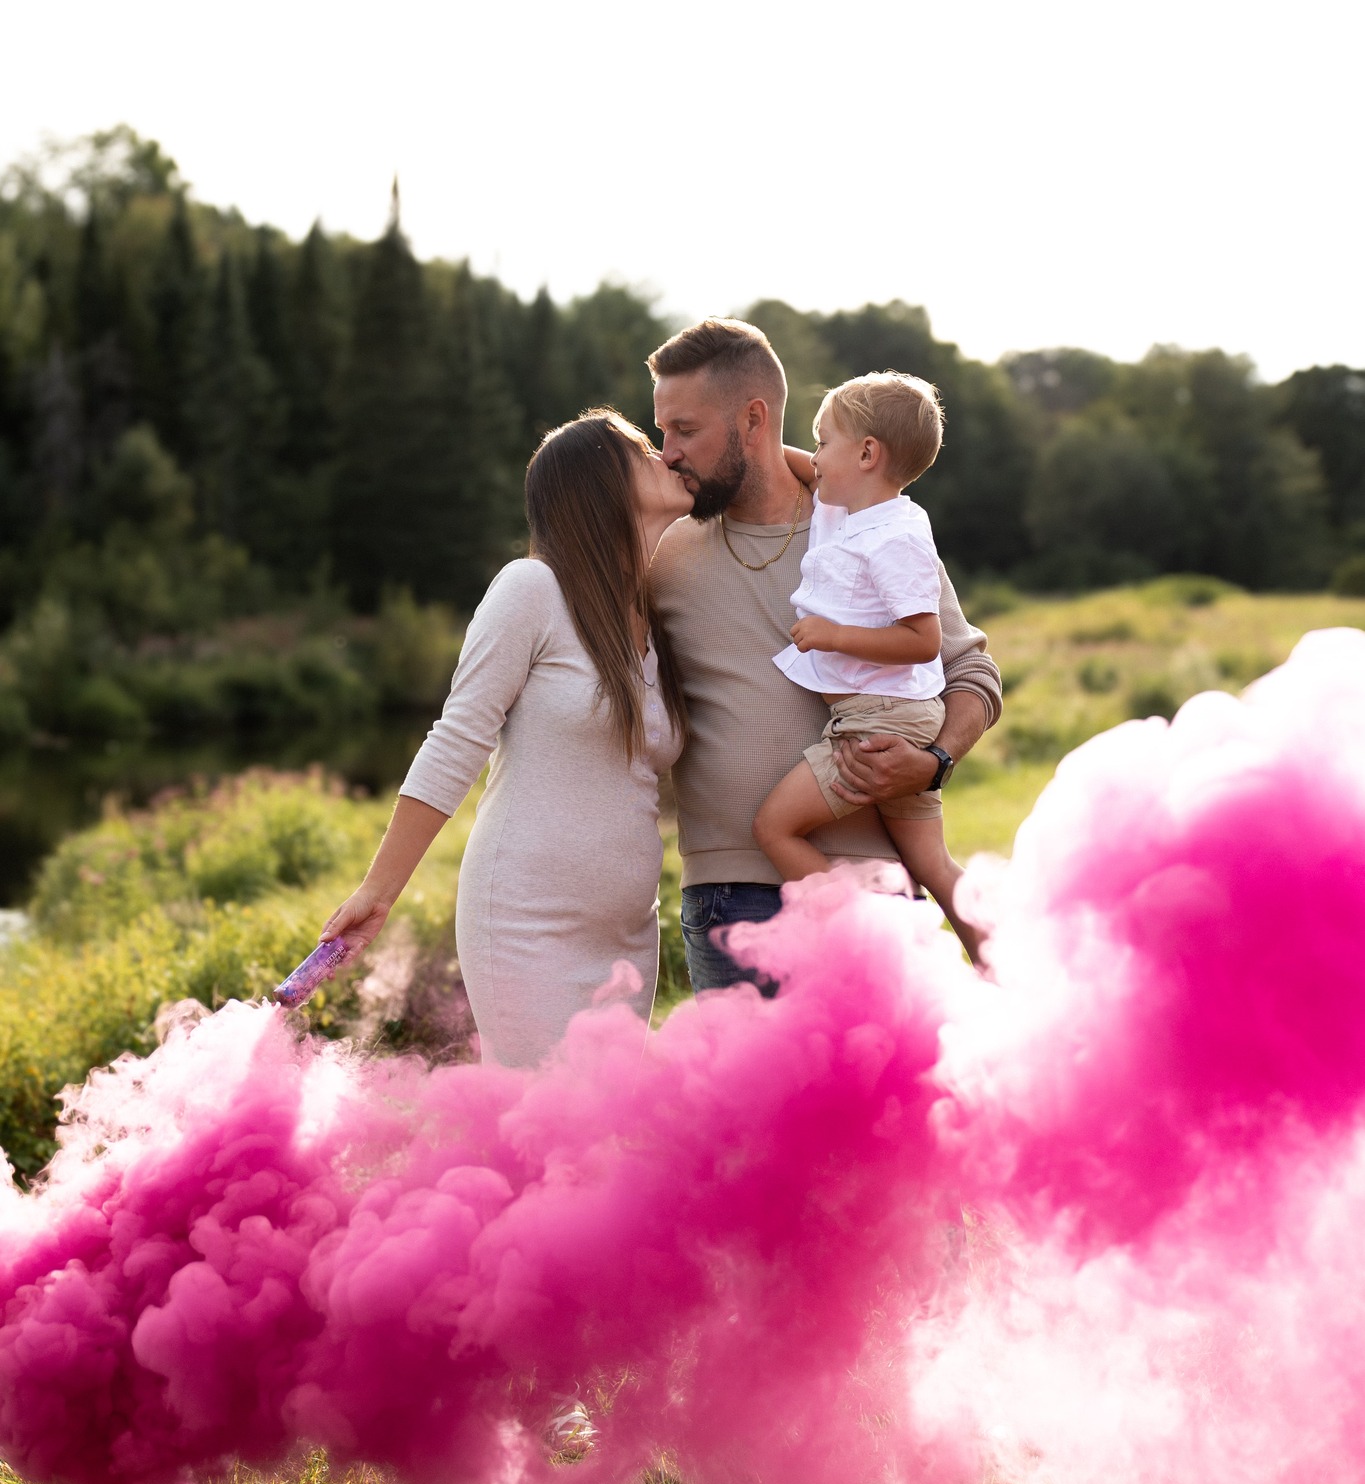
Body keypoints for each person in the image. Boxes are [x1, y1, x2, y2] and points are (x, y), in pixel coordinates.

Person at [320, 410, 692, 1066]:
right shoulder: (531, 590)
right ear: (599, 482)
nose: (665, 454)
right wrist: (377, 892)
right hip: (528, 926)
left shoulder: (652, 616)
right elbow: (456, 738)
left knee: (609, 1144)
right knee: (542, 1137)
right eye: (640, 448)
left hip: (628, 935)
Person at [648, 319, 1003, 993]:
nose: (667, 453)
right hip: (730, 896)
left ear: (753, 418)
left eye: (685, 430)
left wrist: (933, 762)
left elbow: (968, 670)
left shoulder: (869, 523)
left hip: (874, 883)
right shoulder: (663, 544)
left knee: (891, 1101)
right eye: (662, 430)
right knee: (742, 1101)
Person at [752, 371, 982, 960]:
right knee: (932, 862)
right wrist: (744, 439)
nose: (814, 455)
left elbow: (923, 639)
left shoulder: (898, 535)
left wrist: (835, 635)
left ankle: (861, 942)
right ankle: (999, 962)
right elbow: (796, 464)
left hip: (881, 719)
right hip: (888, 713)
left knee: (774, 829)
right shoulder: (845, 505)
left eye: (823, 440)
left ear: (867, 453)